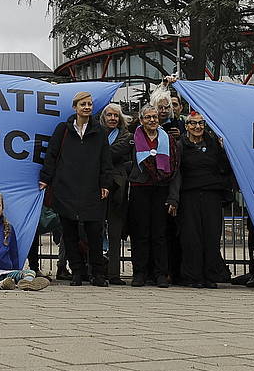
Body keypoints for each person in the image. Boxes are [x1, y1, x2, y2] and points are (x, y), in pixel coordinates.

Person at [39, 92, 113, 287]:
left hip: (91, 188)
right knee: (69, 233)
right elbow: (52, 155)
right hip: (66, 187)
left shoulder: (99, 132)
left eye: (89, 104)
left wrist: (105, 183)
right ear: (75, 107)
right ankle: (77, 272)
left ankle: (97, 273)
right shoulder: (63, 129)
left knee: (95, 233)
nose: (87, 107)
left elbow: (106, 160)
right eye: (83, 104)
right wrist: (45, 179)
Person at [170, 110, 232, 288]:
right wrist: (174, 199)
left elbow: (224, 167)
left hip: (211, 196)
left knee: (211, 236)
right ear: (187, 126)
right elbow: (176, 173)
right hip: (188, 196)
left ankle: (210, 276)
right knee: (191, 237)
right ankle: (192, 276)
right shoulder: (180, 145)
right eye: (193, 123)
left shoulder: (213, 145)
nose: (197, 127)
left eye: (201, 124)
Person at [128, 105, 179, 288]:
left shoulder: (169, 139)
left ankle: (160, 273)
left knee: (160, 233)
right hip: (139, 187)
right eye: (148, 117)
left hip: (161, 187)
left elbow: (175, 169)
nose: (152, 120)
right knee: (140, 232)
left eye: (155, 117)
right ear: (141, 120)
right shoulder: (133, 139)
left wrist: (173, 197)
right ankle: (140, 272)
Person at [100, 103, 133, 285]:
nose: (112, 118)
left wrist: (98, 153)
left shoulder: (126, 136)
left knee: (115, 231)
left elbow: (113, 153)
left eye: (115, 115)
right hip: (97, 186)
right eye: (109, 115)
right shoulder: (96, 133)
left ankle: (113, 273)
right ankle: (95, 270)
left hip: (118, 188)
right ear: (103, 117)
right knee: (95, 230)